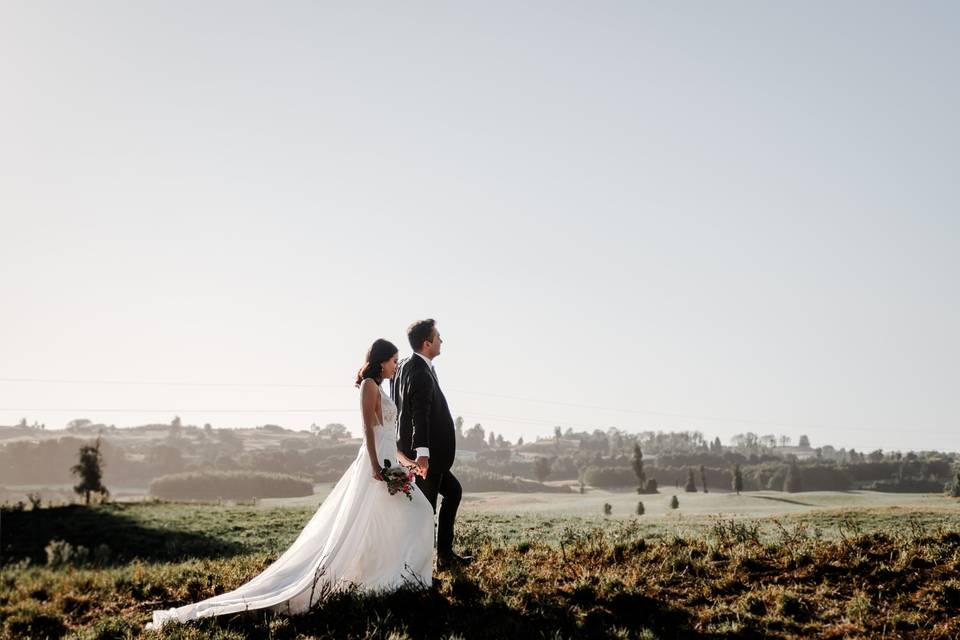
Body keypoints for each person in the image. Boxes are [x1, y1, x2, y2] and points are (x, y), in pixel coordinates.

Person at [147, 339, 433, 630]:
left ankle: (398, 577)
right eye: (394, 361)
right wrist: (374, 466)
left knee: (409, 514)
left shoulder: (382, 389)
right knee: (411, 512)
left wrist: (408, 464)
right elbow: (367, 431)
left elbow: (389, 436)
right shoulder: (370, 386)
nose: (397, 366)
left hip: (390, 464)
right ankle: (394, 579)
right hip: (376, 467)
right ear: (382, 361)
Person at [392, 319, 471, 569]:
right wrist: (422, 454)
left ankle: (444, 555)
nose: (441, 341)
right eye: (438, 337)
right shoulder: (419, 372)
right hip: (426, 458)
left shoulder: (406, 366)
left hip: (427, 457)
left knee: (453, 492)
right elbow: (419, 415)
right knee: (425, 513)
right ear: (427, 343)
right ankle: (420, 567)